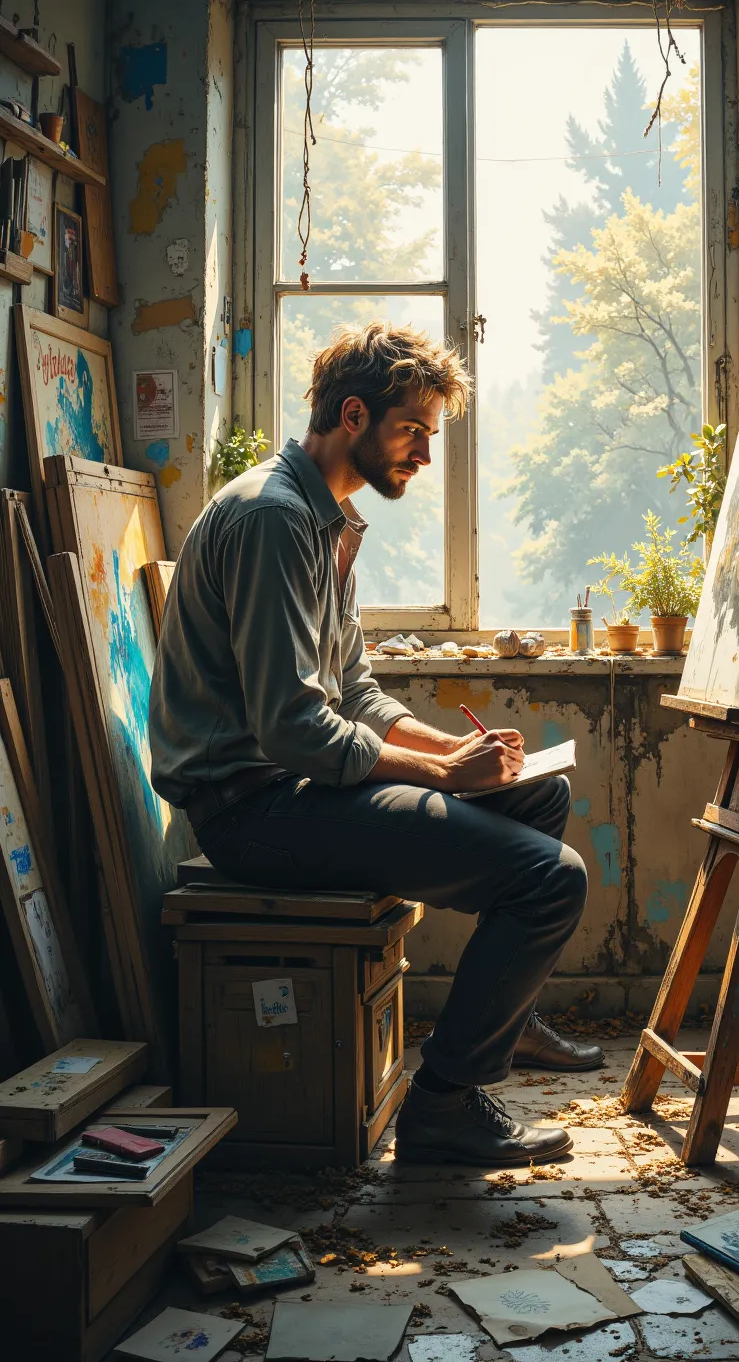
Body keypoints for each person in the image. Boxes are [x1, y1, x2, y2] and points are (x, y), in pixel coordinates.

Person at [149, 322, 603, 1167]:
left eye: (430, 436)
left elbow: (353, 695)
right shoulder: (272, 521)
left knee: (534, 791)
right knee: (552, 880)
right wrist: (441, 771)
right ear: (353, 415)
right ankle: (443, 1105)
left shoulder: (325, 523)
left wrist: (462, 761)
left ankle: (504, 1014)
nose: (425, 457)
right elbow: (293, 729)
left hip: (292, 788)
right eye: (413, 431)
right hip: (250, 810)